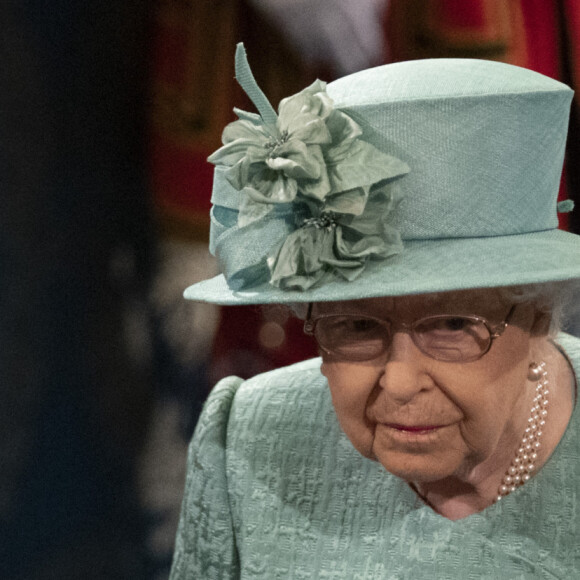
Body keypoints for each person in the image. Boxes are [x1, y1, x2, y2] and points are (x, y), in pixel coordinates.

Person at [169, 44, 580, 578]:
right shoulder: (249, 433)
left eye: (453, 325)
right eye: (358, 325)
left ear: (538, 317)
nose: (402, 382)